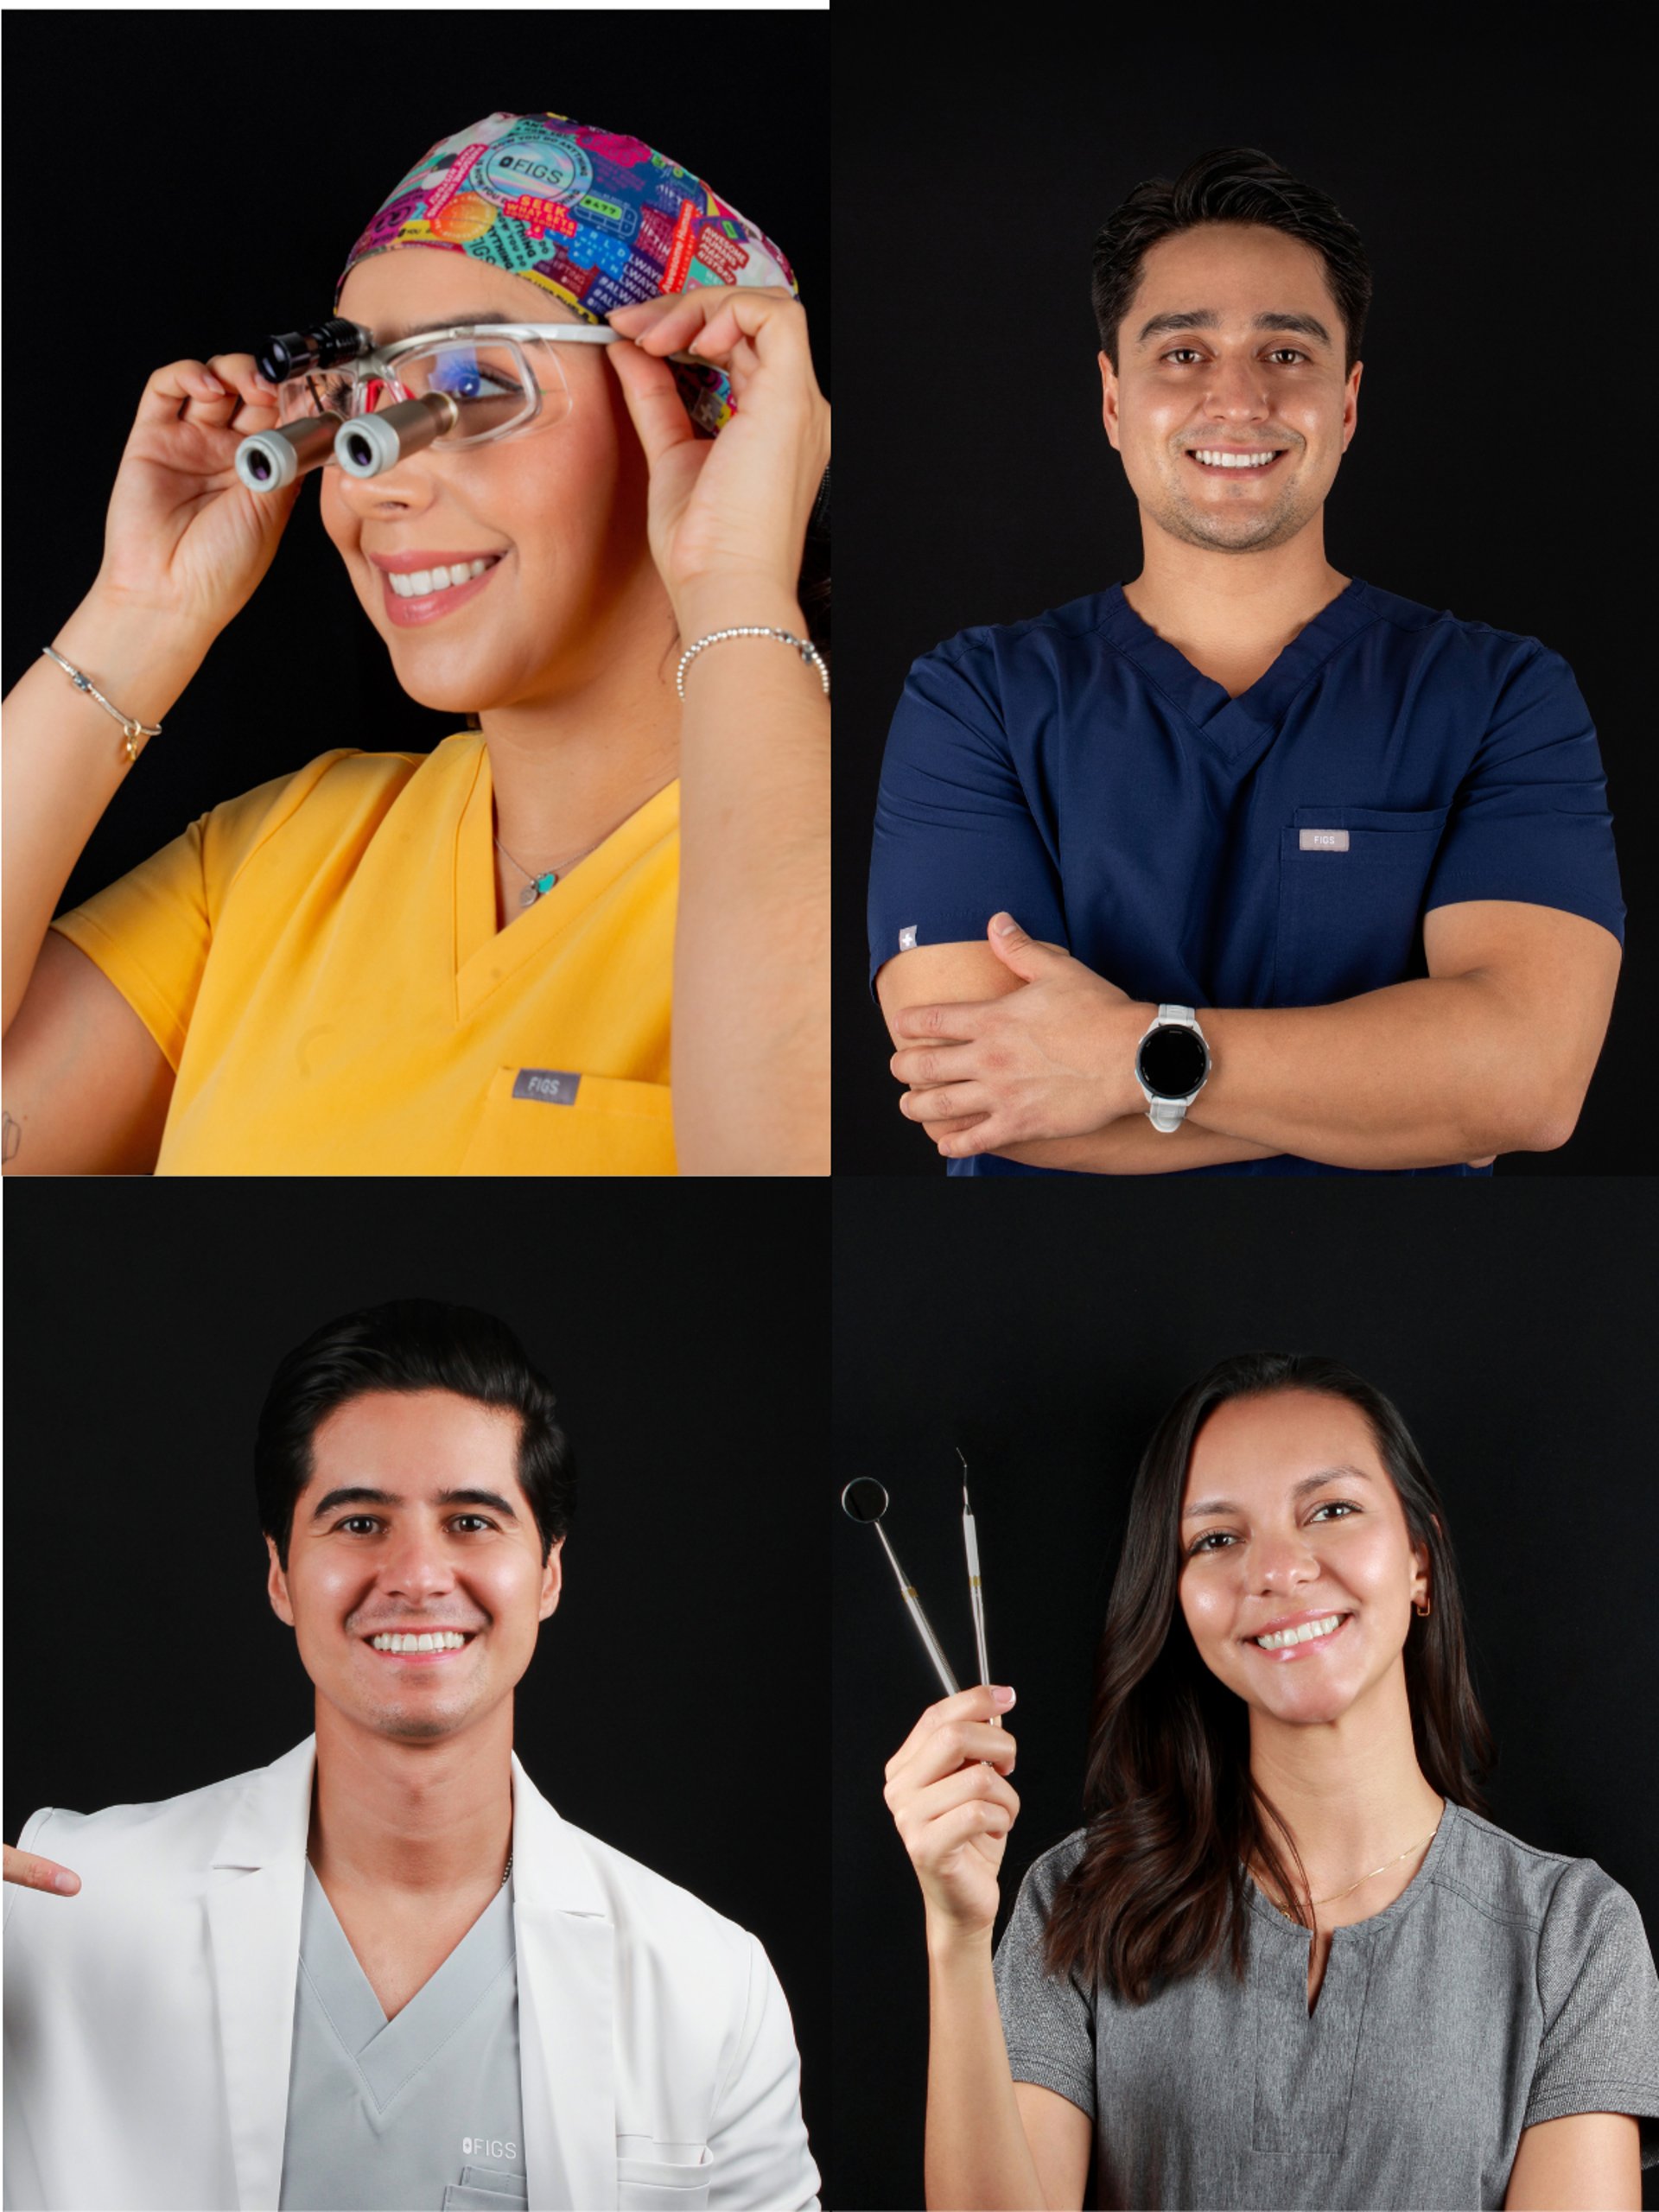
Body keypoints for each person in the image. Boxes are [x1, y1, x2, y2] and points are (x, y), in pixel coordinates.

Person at [3, 110, 830, 1176]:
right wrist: (141, 609)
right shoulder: (281, 852)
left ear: (699, 407)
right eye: (358, 403)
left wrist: (735, 581)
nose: (376, 481)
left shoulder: (862, 835)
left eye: (474, 388)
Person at [867, 146, 1622, 1176]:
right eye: (1181, 353)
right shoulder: (977, 698)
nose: (1236, 398)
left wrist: (1126, 1056)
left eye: (1286, 353)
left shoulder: (1500, 695)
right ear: (1112, 400)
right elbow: (974, 1090)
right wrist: (1394, 1090)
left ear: (1346, 403)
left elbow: (1525, 1083)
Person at [3, 1300, 820, 2212]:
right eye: (359, 1524)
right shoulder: (57, 1907)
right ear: (280, 1574)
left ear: (548, 1573)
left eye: (472, 1521)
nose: (419, 1575)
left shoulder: (709, 1982)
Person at [879, 1352, 1657, 2209]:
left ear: (1420, 1562)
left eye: (1331, 1509)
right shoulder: (1073, 1900)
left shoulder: (1573, 1938)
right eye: (1218, 1538)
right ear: (1177, 1600)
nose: (1277, 1570)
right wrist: (954, 1933)